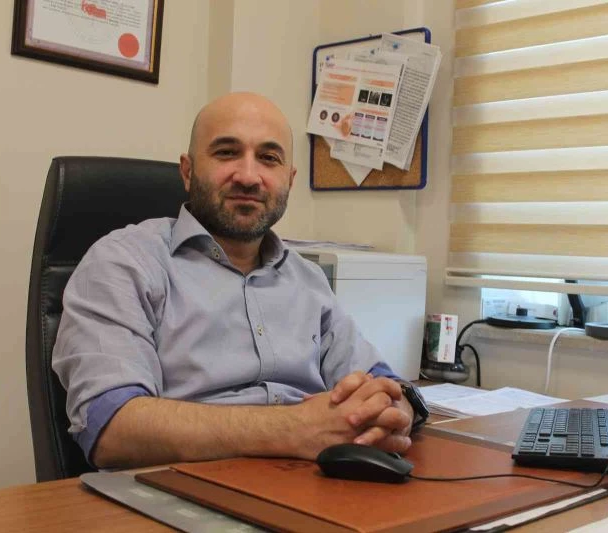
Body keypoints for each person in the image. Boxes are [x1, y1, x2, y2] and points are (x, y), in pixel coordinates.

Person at [52, 92, 426, 469]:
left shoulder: (307, 279)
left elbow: (383, 381)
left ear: (289, 180)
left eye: (269, 158)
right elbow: (111, 427)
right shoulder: (124, 262)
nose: (248, 176)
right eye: (227, 152)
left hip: (313, 478)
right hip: (184, 483)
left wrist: (395, 410)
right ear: (187, 172)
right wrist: (294, 429)